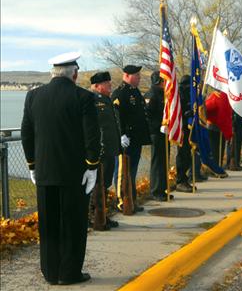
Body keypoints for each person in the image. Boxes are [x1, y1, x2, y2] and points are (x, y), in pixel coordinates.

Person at [21, 52, 100, 285]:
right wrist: (92, 166)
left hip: (45, 173)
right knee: (73, 224)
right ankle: (69, 273)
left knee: (48, 225)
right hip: (74, 173)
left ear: (52, 73)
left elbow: (26, 133)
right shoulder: (84, 97)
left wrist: (32, 165)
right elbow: (92, 136)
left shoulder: (33, 96)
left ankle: (50, 272)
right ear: (74, 74)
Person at [112, 65, 151, 213]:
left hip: (136, 139)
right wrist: (121, 134)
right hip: (126, 139)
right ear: (127, 75)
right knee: (122, 171)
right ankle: (122, 201)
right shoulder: (119, 93)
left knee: (132, 171)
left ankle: (131, 199)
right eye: (137, 76)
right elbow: (117, 116)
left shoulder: (135, 92)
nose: (139, 78)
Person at [89, 71, 121, 228]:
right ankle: (95, 217)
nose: (110, 85)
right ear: (96, 86)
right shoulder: (92, 100)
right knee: (97, 185)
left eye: (109, 82)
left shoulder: (108, 100)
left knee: (105, 184)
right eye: (106, 83)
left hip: (110, 150)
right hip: (101, 151)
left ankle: (102, 215)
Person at [144, 70, 174, 200]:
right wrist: (159, 126)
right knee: (157, 162)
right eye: (164, 80)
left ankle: (162, 189)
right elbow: (148, 116)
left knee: (164, 161)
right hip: (156, 133)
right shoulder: (151, 95)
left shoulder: (163, 94)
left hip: (164, 132)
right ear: (159, 82)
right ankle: (156, 191)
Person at [175, 75, 194, 192]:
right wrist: (186, 113)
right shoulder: (180, 93)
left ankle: (185, 178)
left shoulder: (189, 93)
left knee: (188, 155)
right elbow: (177, 110)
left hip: (189, 128)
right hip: (181, 128)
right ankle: (180, 180)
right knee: (183, 155)